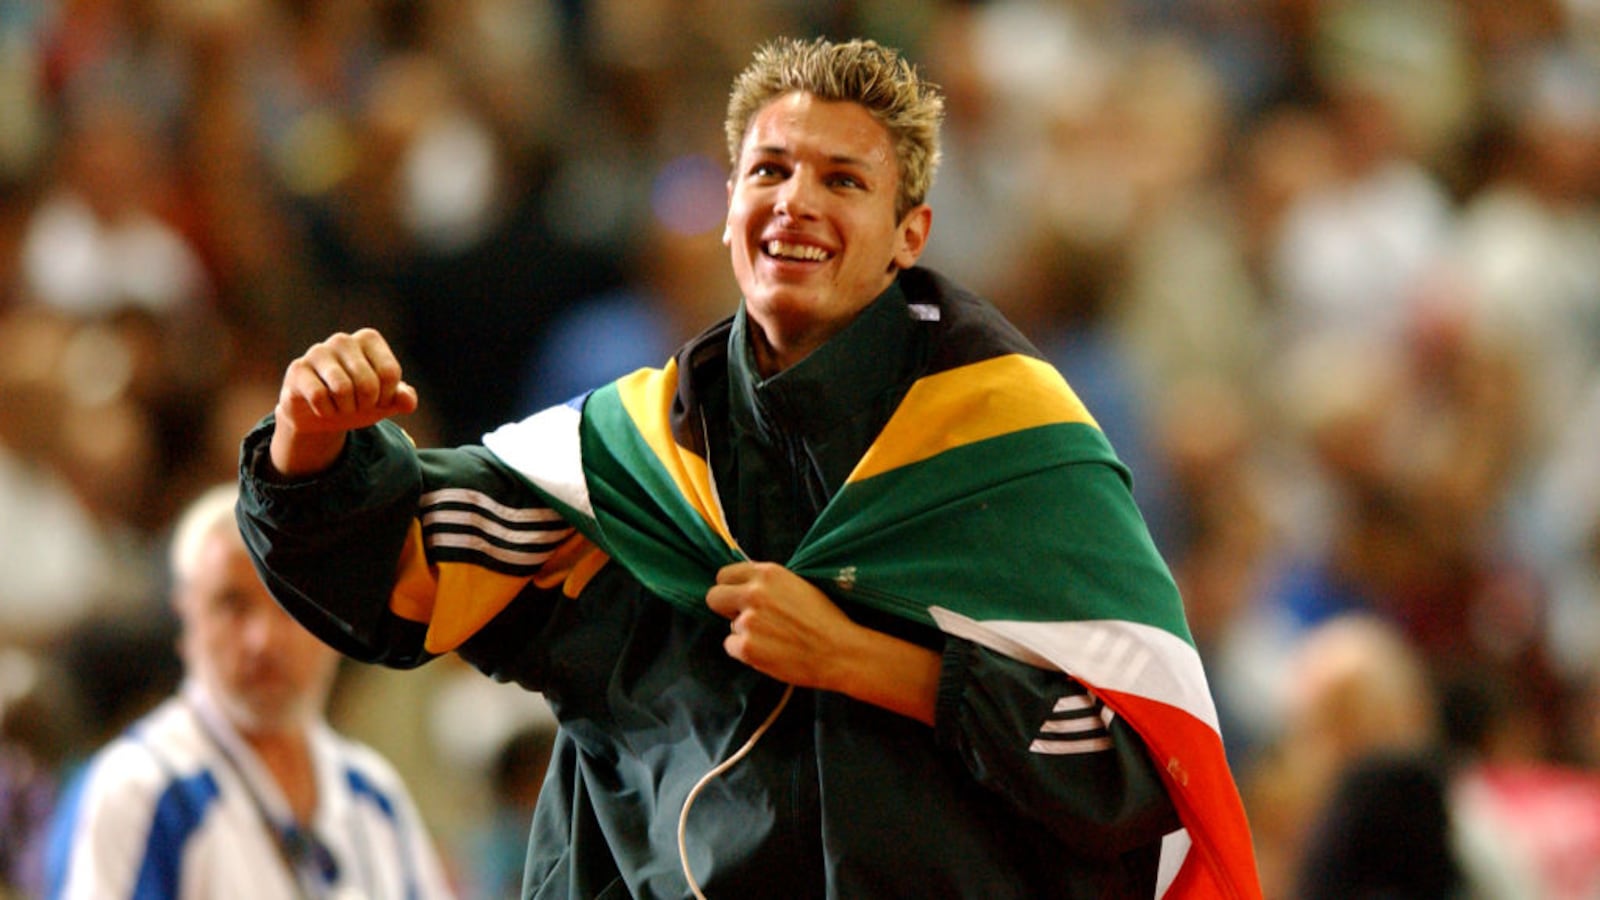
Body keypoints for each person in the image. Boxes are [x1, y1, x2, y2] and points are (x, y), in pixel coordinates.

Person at [238, 36, 1262, 899]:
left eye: (842, 180)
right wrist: (309, 438)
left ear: (911, 234)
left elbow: (1136, 768)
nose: (795, 203)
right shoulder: (629, 465)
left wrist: (868, 662)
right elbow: (395, 562)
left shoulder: (1010, 451)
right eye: (768, 171)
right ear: (727, 208)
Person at [43, 483, 457, 900]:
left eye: (291, 602)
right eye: (232, 604)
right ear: (187, 619)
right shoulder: (139, 788)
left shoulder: (375, 795)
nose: (263, 639)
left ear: (336, 620)